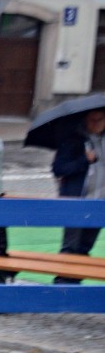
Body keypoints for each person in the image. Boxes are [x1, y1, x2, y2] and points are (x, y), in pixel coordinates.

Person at [52, 107, 105, 284]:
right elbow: (59, 169)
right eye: (92, 120)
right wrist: (84, 160)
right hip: (76, 202)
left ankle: (74, 282)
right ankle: (62, 283)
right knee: (70, 246)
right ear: (85, 120)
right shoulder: (73, 141)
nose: (96, 124)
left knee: (85, 246)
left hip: (99, 203)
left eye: (100, 119)